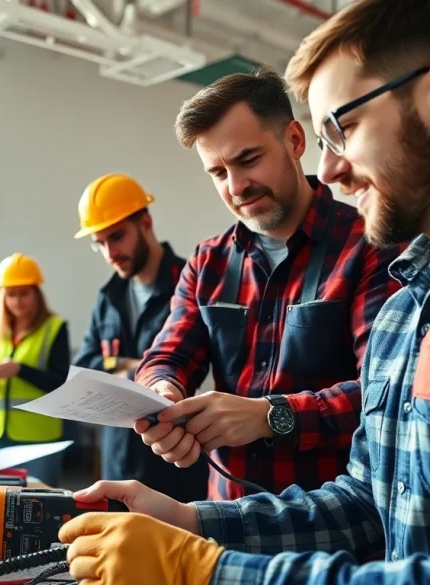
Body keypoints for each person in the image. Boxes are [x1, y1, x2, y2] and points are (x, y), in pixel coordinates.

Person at [56, 1, 430, 584]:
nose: (329, 168)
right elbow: (366, 506)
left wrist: (204, 568)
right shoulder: (408, 306)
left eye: (343, 128)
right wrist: (191, 520)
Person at [133, 69, 403, 500]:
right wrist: (161, 394)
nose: (236, 187)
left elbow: (387, 393)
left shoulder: (371, 248)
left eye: (248, 160)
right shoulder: (208, 262)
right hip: (229, 522)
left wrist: (271, 416)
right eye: (218, 173)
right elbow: (167, 355)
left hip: (333, 528)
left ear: (295, 141)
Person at [72, 173, 208, 503]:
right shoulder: (109, 297)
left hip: (175, 462)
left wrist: (121, 370)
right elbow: (84, 367)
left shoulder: (189, 285)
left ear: (145, 223)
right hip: (117, 457)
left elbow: (197, 368)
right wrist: (134, 368)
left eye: (116, 237)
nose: (110, 252)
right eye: (99, 243)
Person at [0, 253, 70, 487]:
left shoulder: (55, 328)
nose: (17, 301)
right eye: (11, 294)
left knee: (39, 505)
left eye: (24, 293)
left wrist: (20, 370)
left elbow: (61, 383)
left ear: (37, 293)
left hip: (39, 439)